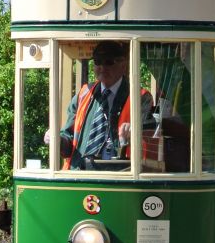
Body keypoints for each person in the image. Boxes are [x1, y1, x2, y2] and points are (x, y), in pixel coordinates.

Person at [57, 40, 154, 170]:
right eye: (98, 62)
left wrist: (135, 130)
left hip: (121, 175)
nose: (102, 67)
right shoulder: (83, 94)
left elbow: (150, 137)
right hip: (80, 174)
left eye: (109, 62)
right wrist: (57, 141)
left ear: (123, 65)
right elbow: (68, 142)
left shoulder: (140, 97)